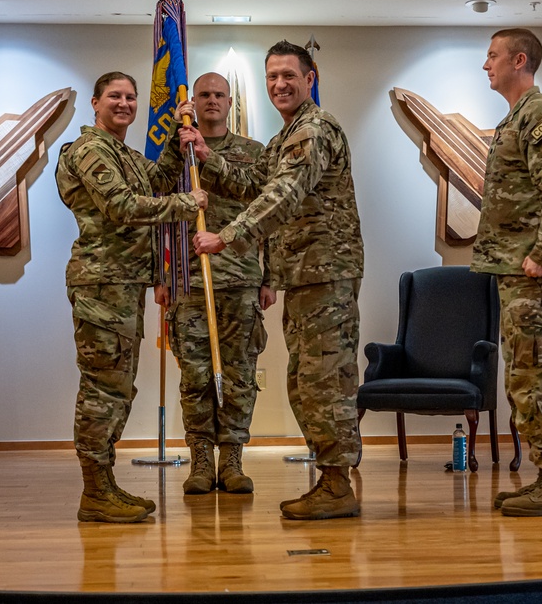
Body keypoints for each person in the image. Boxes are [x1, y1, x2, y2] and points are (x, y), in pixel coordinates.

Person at [190, 41, 365, 520]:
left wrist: (225, 237)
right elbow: (256, 185)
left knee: (325, 382)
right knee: (305, 381)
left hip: (326, 273)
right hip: (307, 277)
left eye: (289, 75)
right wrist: (210, 157)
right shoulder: (286, 135)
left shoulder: (314, 128)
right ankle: (332, 482)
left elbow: (283, 196)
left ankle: (336, 485)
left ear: (311, 79)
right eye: (272, 77)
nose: (279, 85)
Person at [55, 71, 208, 523]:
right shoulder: (88, 149)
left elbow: (156, 179)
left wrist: (178, 138)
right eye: (115, 97)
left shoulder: (122, 152)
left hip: (121, 285)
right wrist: (188, 204)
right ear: (95, 102)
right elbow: (120, 206)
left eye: (130, 98)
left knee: (118, 388)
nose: (124, 104)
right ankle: (95, 490)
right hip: (100, 285)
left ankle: (104, 487)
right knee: (103, 389)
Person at [470, 28, 542, 517]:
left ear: (519, 60)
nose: (485, 64)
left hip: (536, 276)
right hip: (518, 275)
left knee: (536, 377)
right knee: (523, 377)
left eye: (492, 56)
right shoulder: (516, 118)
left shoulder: (539, 115)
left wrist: (541, 255)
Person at [155, 72, 273, 495]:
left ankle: (233, 460)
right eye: (203, 94)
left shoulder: (253, 152)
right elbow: (159, 214)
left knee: (239, 374)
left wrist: (270, 276)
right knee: (196, 376)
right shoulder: (177, 151)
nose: (210, 101)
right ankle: (201, 460)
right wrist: (161, 275)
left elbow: (268, 211)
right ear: (194, 101)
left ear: (230, 101)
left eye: (218, 95)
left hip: (240, 279)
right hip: (188, 280)